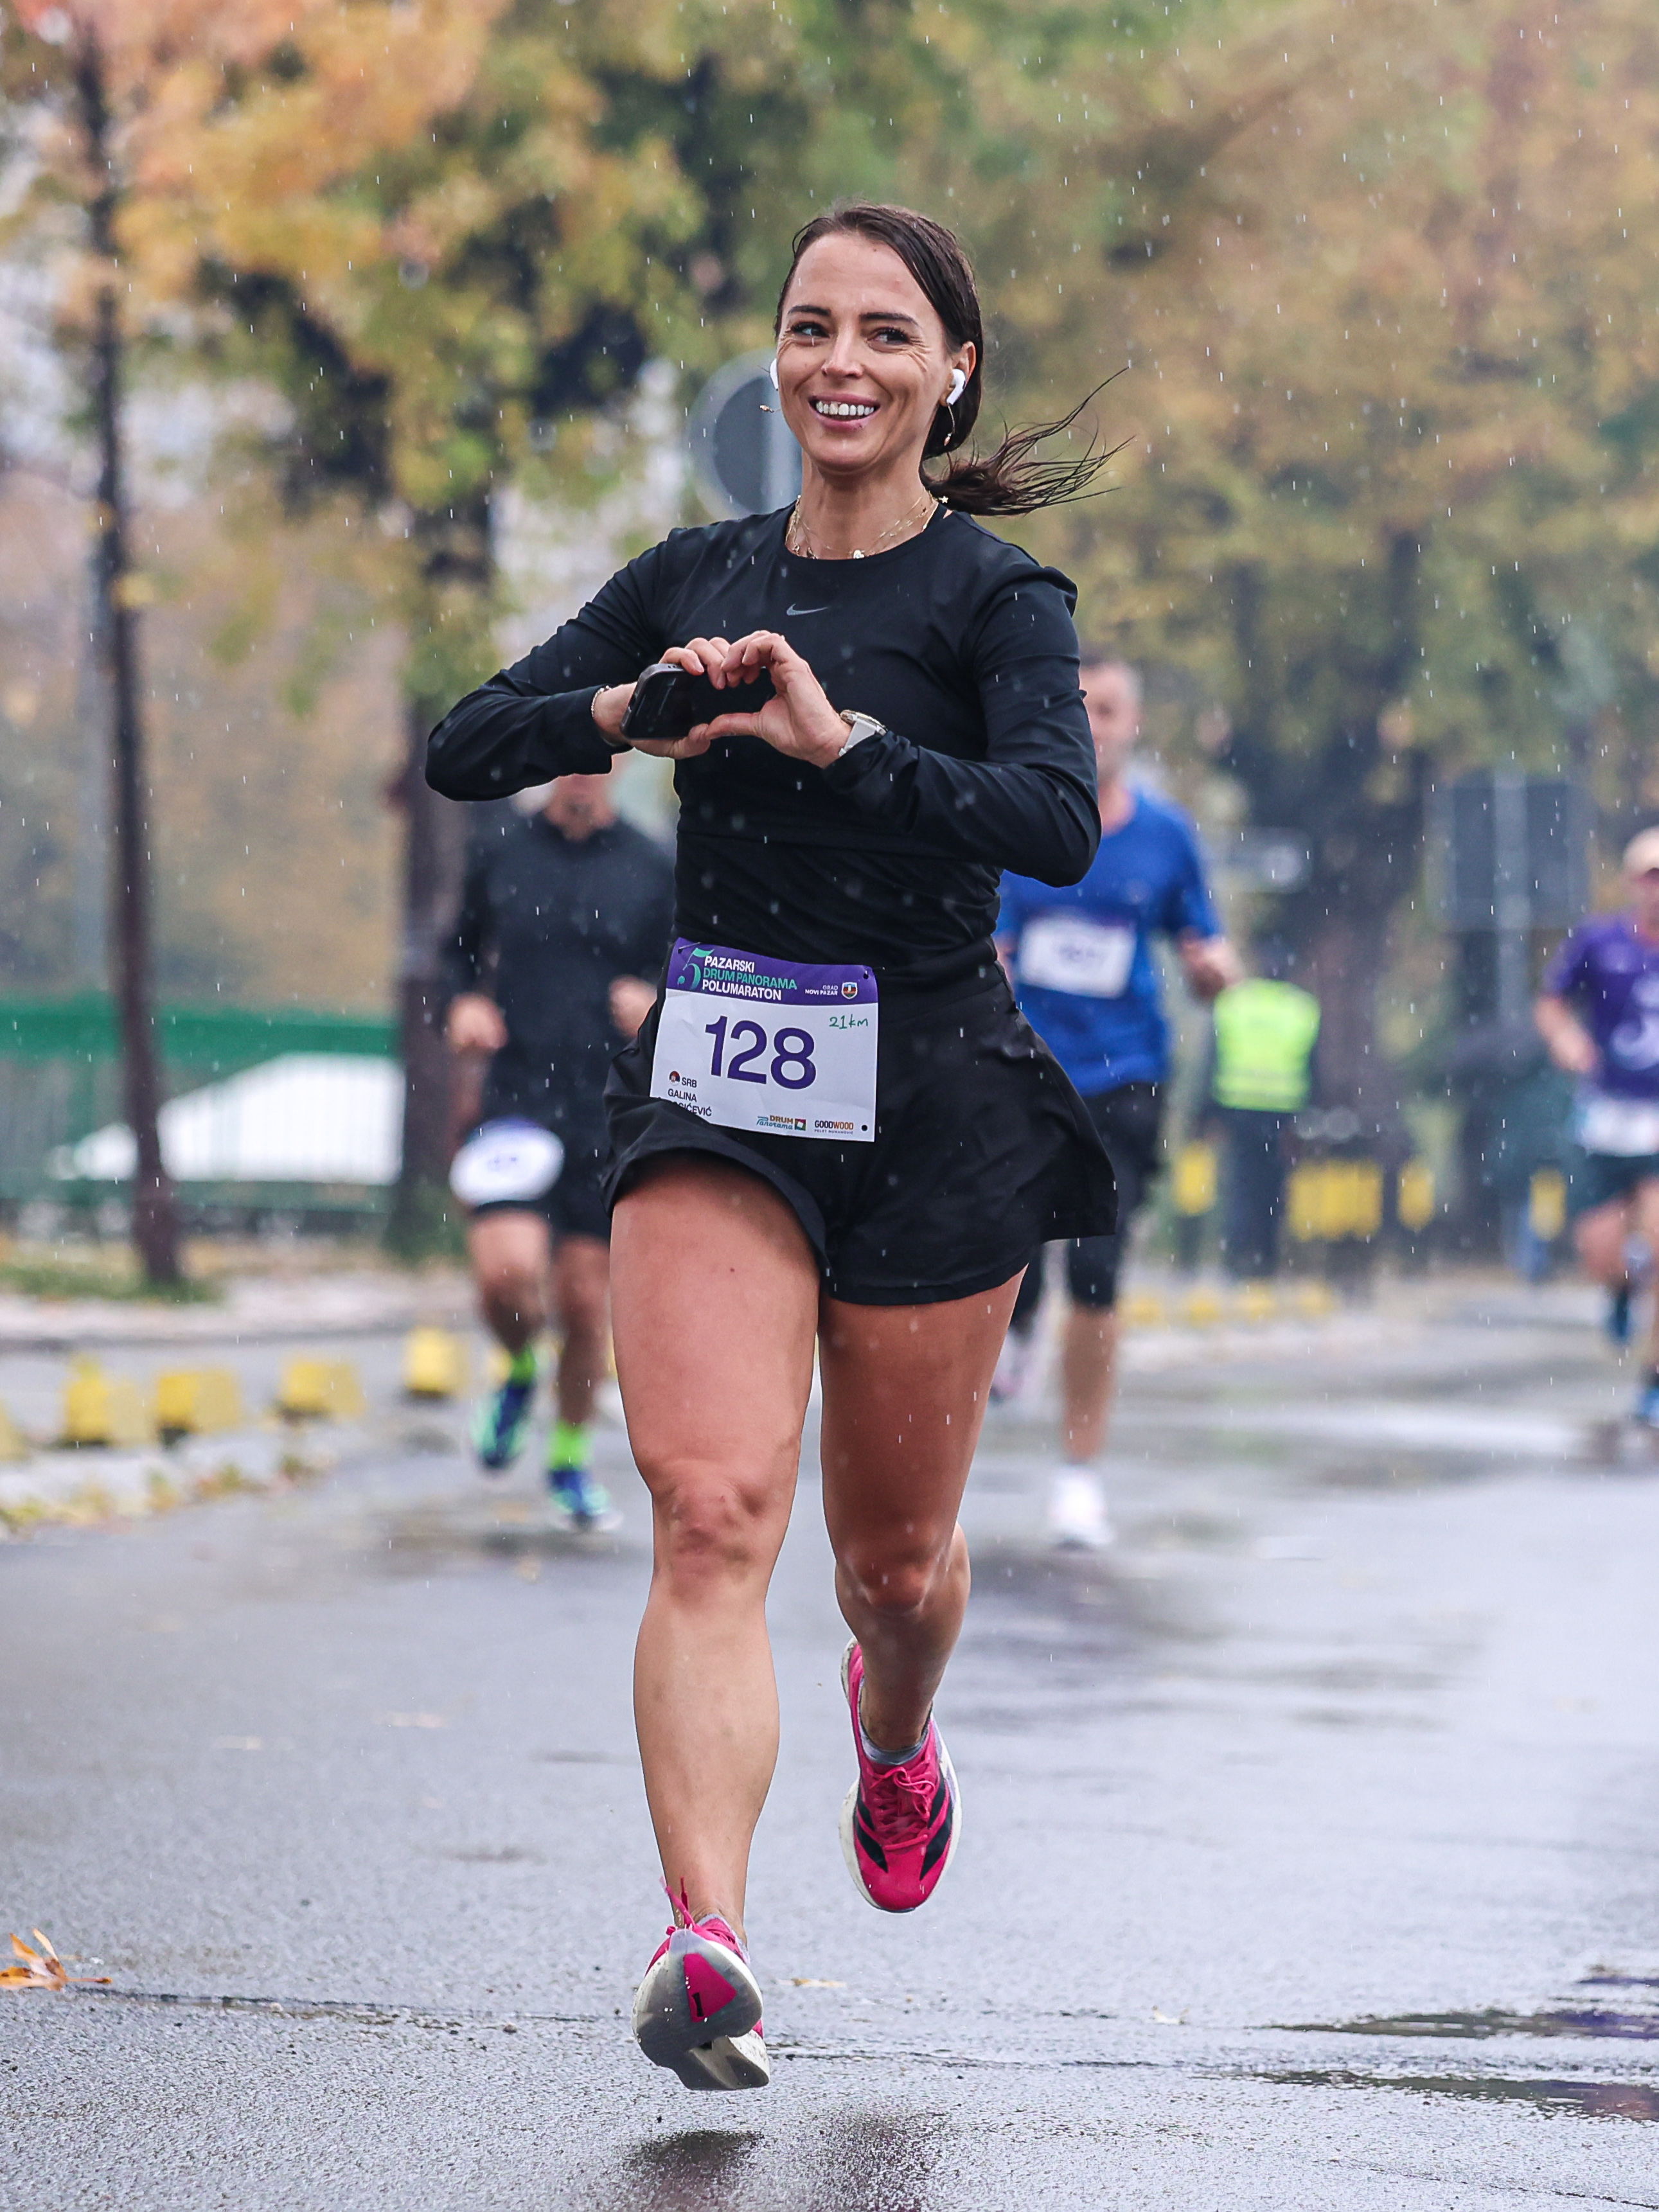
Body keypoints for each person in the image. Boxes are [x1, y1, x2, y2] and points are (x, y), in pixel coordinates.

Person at [426, 202, 1117, 2094]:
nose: (840, 362)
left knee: (888, 1568)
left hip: (934, 1099)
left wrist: (840, 751)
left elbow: (1052, 819)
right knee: (713, 1510)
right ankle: (705, 1935)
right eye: (810, 326)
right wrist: (629, 706)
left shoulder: (992, 601)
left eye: (883, 332)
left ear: (948, 369)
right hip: (725, 1078)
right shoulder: (695, 572)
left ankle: (893, 1735)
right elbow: (469, 739)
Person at [995, 661, 1238, 1549]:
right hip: (1020, 1068)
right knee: (1008, 1247)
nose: (1089, 725)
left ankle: (1078, 1474)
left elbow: (1206, 942)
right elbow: (985, 935)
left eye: (1105, 709)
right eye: (1074, 707)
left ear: (1133, 724)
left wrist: (1213, 970)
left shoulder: (1166, 836)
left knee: (1097, 1271)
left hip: (1125, 1075)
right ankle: (1017, 1325)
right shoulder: (1017, 818)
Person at [443, 766, 674, 1524]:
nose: (582, 768)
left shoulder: (652, 864)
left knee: (582, 1304)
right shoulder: (502, 849)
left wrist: (657, 1006)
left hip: (606, 1109)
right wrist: (464, 1001)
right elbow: (455, 950)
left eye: (597, 755)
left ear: (619, 763)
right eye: (569, 753)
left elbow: (688, 975)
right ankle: (517, 1365)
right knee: (506, 1273)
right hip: (516, 1096)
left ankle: (569, 1458)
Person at [1535, 826, 1659, 1424]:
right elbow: (1552, 1001)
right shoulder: (1599, 940)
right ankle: (1618, 1290)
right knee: (1601, 1252)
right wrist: (1565, 1037)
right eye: (1652, 877)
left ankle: (1654, 1380)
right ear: (1634, 882)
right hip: (1606, 1116)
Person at [1209, 947, 1321, 1280]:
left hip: (1239, 1107)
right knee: (1273, 1187)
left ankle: (1236, 1259)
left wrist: (1207, 1111)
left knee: (1240, 1185)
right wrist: (1311, 1111)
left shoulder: (1235, 1003)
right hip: (1282, 1112)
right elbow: (1314, 1067)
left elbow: (1213, 1058)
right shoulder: (1302, 1008)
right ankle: (1265, 1259)